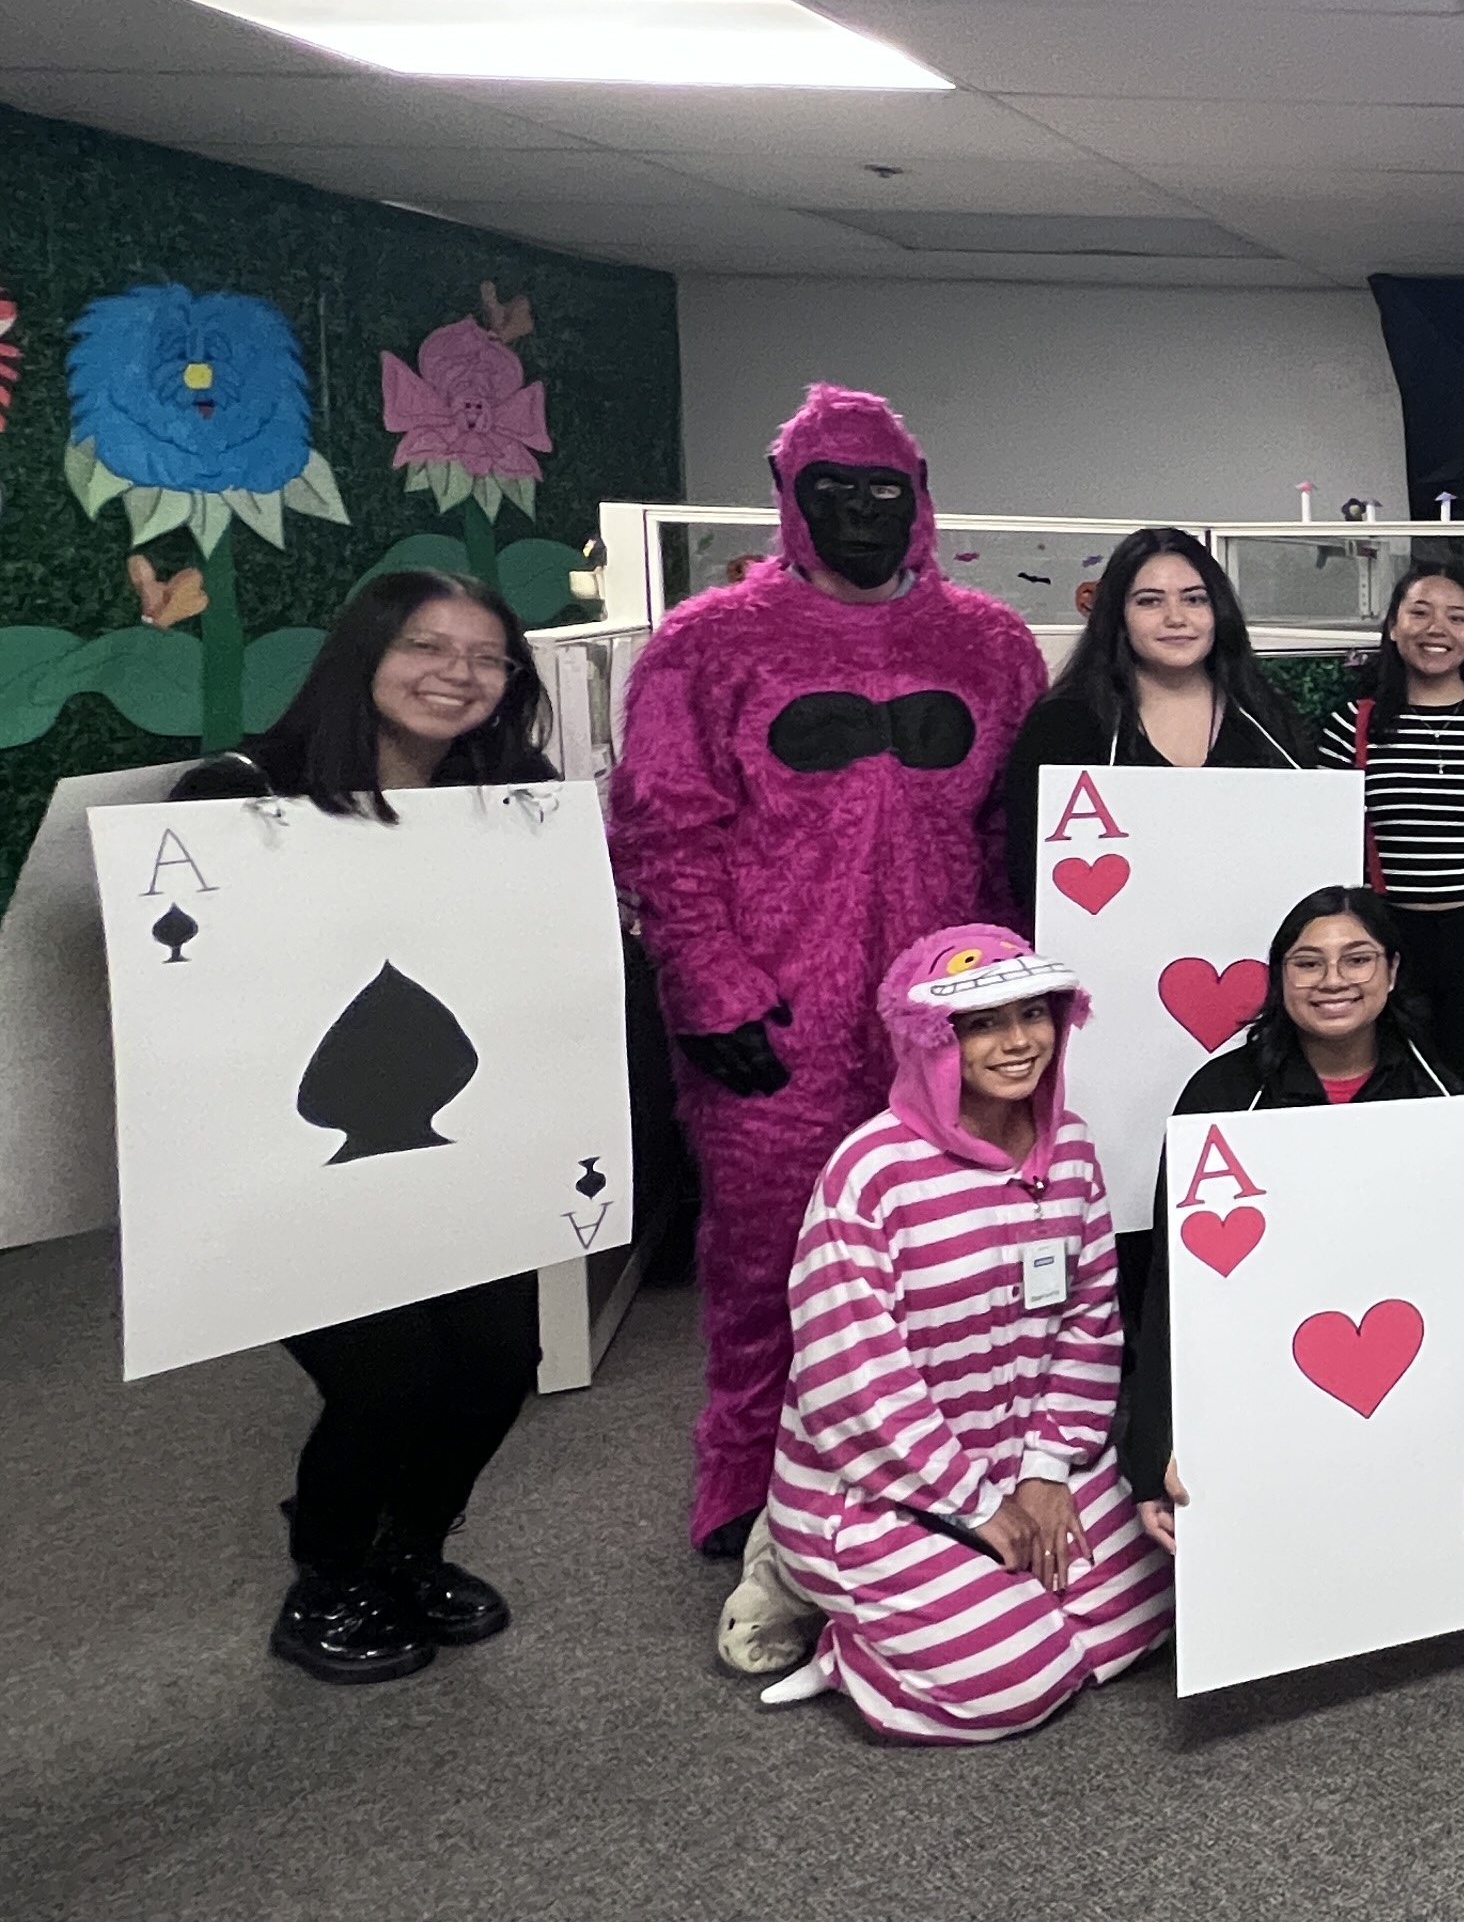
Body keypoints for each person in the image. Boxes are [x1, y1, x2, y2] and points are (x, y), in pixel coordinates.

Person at [606, 386, 1045, 1632]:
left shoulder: (994, 646)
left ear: (920, 500)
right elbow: (662, 828)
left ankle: (936, 1483)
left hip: (952, 1012)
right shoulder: (706, 644)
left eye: (883, 490)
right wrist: (709, 985)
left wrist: (1021, 996)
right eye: (833, 490)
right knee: (771, 1259)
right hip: (775, 1019)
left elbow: (1020, 831)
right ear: (791, 500)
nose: (860, 512)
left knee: (950, 1257)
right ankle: (751, 1486)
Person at [174, 572, 554, 1684]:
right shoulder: (240, 795)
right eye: (429, 647)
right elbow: (170, 984)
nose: (459, 674)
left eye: (488, 658)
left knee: (497, 1360)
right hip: (299, 1157)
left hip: (461, 1145)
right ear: (364, 655)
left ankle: (410, 1549)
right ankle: (330, 1574)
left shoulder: (512, 796)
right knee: (387, 1378)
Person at [752, 928, 1172, 1744]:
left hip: (1022, 1464)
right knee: (1018, 1681)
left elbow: (1089, 1325)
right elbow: (855, 1379)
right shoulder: (870, 1172)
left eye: (1032, 1015)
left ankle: (985, 1608)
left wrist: (1045, 1470)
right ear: (934, 1040)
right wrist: (972, 1506)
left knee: (1153, 1600)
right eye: (983, 1024)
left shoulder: (1073, 1149)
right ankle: (847, 1646)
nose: (1018, 1043)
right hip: (871, 1488)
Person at [1122, 885, 1464, 1550]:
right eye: (1308, 963)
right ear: (1279, 979)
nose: (1333, 980)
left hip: (1397, 1358)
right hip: (1257, 1370)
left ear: (1392, 972)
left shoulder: (1447, 1094)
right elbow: (1174, 1287)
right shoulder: (1220, 1098)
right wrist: (1155, 1449)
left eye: (1357, 959)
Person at [999, 527, 1312, 932]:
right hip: (1111, 967)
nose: (1176, 618)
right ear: (1118, 618)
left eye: (1195, 599)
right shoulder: (1065, 724)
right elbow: (1031, 872)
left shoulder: (1266, 718)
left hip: (1255, 962)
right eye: (1150, 601)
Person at [1321, 563, 1464, 1100]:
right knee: (1384, 1089)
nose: (1436, 629)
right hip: (1381, 941)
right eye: (1419, 613)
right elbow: (1326, 846)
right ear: (1394, 627)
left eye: (1456, 617)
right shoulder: (1352, 726)